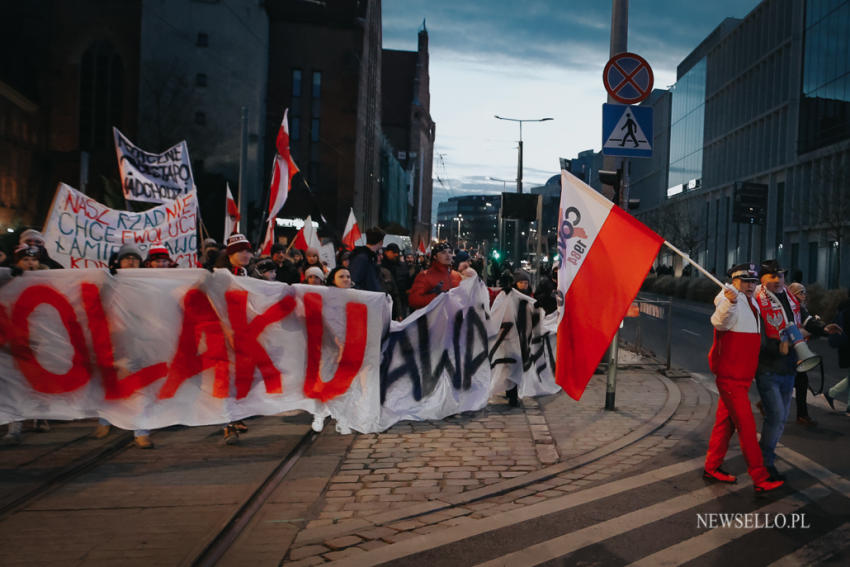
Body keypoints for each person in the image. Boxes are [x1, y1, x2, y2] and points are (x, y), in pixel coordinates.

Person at [754, 259, 841, 480]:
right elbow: (755, 335)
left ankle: (765, 456)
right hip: (767, 367)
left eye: (780, 275)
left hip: (789, 366)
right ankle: (765, 464)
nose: (777, 280)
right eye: (772, 276)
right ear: (762, 279)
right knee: (776, 415)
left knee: (781, 417)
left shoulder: (791, 298)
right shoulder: (756, 301)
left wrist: (823, 328)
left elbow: (807, 319)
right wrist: (777, 344)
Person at [702, 263, 783, 493]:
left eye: (753, 281)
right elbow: (719, 321)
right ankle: (760, 477)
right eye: (745, 281)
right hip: (731, 378)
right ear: (734, 281)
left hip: (742, 377)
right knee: (746, 427)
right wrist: (730, 301)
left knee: (725, 423)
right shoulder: (729, 300)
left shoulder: (752, 300)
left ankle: (712, 466)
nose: (750, 285)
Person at [2, 246, 51, 445]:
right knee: (14, 384)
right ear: (18, 262)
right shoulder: (10, 278)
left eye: (33, 260)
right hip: (15, 340)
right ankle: (14, 428)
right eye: (25, 260)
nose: (30, 263)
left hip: (41, 339)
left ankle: (41, 417)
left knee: (38, 382)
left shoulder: (50, 277)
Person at [786, 283, 817, 426]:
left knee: (801, 382)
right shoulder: (789, 309)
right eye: (800, 293)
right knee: (787, 384)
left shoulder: (802, 310)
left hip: (797, 353)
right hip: (788, 353)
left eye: (804, 292)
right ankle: (802, 415)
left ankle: (802, 415)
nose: (804, 295)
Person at [408, 243, 461, 310]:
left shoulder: (456, 275)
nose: (448, 255)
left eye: (450, 252)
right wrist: (437, 297)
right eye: (443, 252)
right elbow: (413, 300)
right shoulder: (425, 275)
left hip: (454, 317)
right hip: (433, 318)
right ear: (435, 256)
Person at [824, 288, 850, 415]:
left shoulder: (844, 307)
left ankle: (831, 393)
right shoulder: (847, 311)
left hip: (845, 347)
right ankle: (831, 393)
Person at [349, 226, 386, 292]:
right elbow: (354, 282)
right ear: (381, 242)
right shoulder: (362, 258)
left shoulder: (369, 257)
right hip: (366, 299)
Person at [381, 243, 411, 320]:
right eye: (393, 252)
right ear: (387, 252)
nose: (396, 255)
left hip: (401, 300)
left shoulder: (403, 266)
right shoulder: (381, 266)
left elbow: (408, 281)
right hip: (386, 301)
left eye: (397, 253)